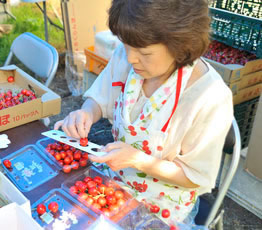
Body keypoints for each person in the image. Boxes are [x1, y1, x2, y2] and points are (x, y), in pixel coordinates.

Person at [54, 0, 233, 226]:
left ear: (180, 45)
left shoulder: (208, 97)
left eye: (144, 52)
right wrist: (87, 112)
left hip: (163, 204)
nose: (130, 58)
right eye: (126, 45)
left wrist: (140, 161)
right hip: (115, 182)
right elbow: (100, 99)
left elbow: (194, 176)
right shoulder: (129, 54)